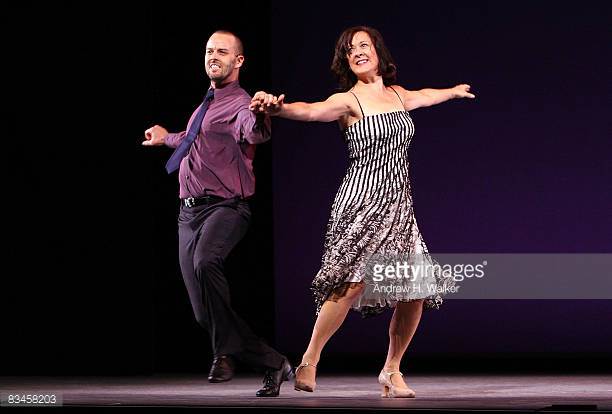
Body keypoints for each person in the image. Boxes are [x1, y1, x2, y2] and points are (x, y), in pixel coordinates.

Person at [250, 26, 475, 398]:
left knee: (415, 289)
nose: (357, 52)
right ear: (346, 61)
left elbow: (424, 96)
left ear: (378, 52)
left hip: (400, 207)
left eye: (363, 46)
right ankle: (310, 359)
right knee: (351, 283)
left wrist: (451, 91)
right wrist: (279, 108)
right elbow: (311, 111)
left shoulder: (398, 95)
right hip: (361, 202)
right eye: (350, 50)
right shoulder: (348, 100)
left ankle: (391, 369)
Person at [142, 30, 292, 397]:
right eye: (209, 50)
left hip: (225, 207)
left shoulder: (240, 103)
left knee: (205, 262)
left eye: (222, 52)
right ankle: (273, 362)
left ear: (238, 61)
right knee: (202, 313)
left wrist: (263, 115)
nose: (213, 56)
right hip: (187, 215)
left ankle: (225, 352)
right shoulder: (207, 104)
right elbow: (196, 139)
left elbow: (253, 131)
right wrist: (167, 138)